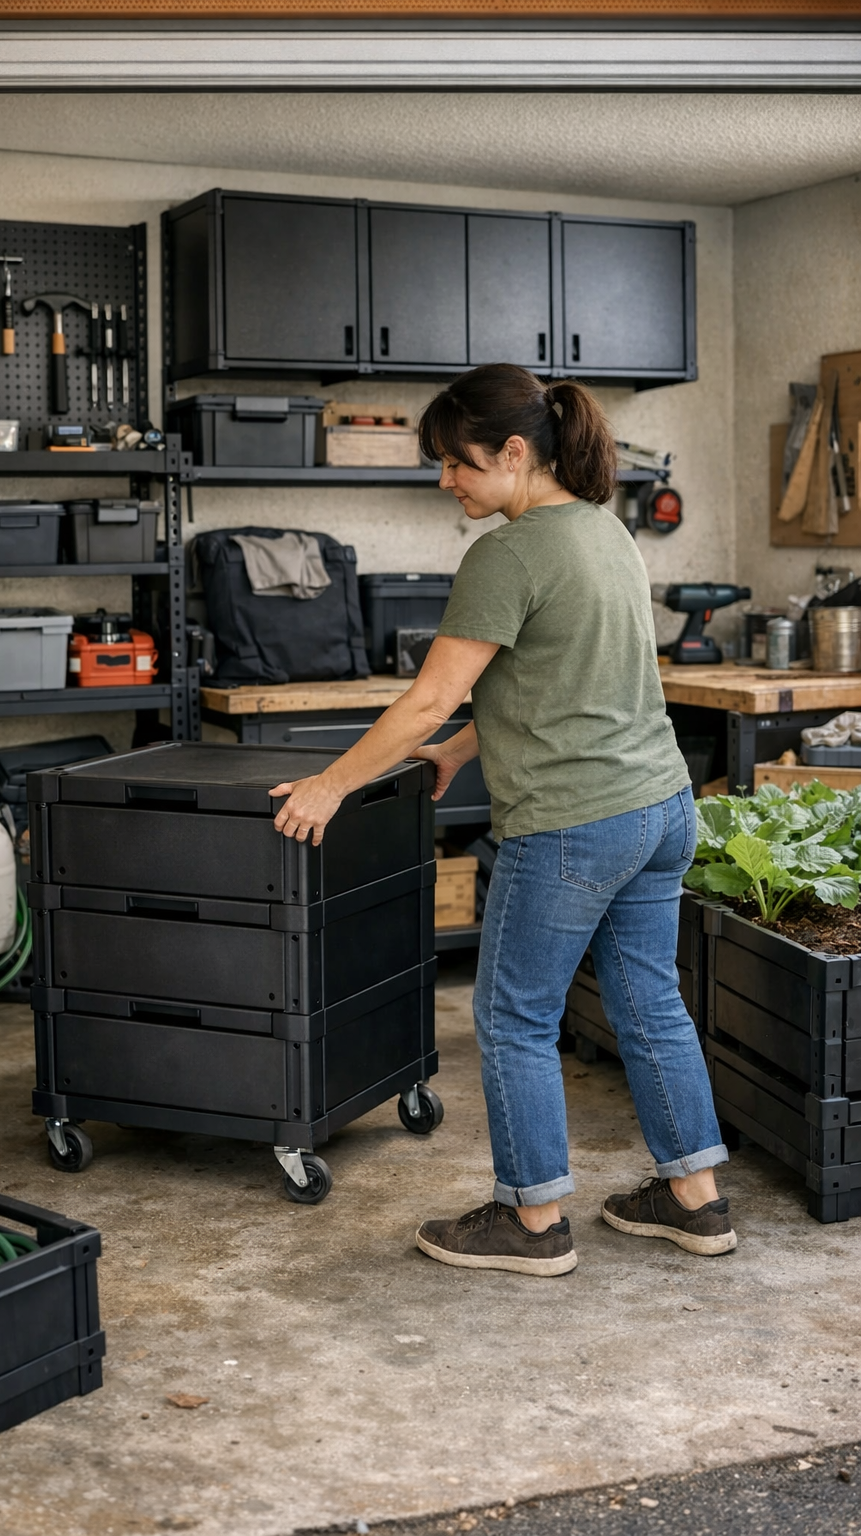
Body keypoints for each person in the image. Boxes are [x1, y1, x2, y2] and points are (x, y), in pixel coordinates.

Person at [269, 363, 735, 1277]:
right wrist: (459, 750)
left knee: (514, 1016)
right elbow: (563, 677)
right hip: (660, 807)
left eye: (459, 462)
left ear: (515, 452)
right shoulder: (604, 529)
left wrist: (330, 784)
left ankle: (533, 1221)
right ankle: (697, 1201)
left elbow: (425, 698)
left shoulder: (507, 553)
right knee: (650, 1003)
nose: (447, 480)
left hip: (573, 824)